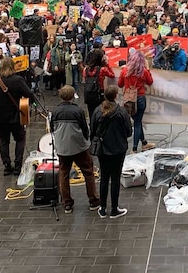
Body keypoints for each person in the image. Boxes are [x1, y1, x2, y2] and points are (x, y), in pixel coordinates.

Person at [50, 85, 101, 214]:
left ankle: (67, 203)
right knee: (88, 172)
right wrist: (87, 142)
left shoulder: (55, 112)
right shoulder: (78, 111)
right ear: (73, 96)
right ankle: (93, 201)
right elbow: (85, 128)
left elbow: (52, 129)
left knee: (64, 173)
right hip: (79, 147)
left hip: (62, 148)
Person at [0, 57, 35, 176]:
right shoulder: (18, 80)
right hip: (16, 116)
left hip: (0, 118)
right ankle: (17, 165)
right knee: (20, 139)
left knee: (4, 141)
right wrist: (27, 104)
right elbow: (30, 94)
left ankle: (7, 165)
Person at [90, 85, 133, 219]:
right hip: (118, 149)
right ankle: (114, 209)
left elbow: (92, 130)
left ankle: (103, 208)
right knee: (115, 178)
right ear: (115, 96)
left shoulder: (98, 111)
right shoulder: (121, 112)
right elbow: (129, 131)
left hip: (103, 149)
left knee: (104, 177)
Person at [117, 49, 155, 153]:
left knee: (137, 121)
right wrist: (148, 69)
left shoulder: (125, 71)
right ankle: (134, 148)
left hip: (128, 99)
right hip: (140, 98)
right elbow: (150, 82)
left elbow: (120, 84)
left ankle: (144, 143)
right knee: (138, 122)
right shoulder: (143, 71)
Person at [82, 49, 115, 120]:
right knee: (100, 113)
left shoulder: (86, 69)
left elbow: (85, 79)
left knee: (91, 113)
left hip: (89, 93)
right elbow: (112, 75)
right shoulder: (102, 70)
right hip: (99, 93)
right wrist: (107, 64)